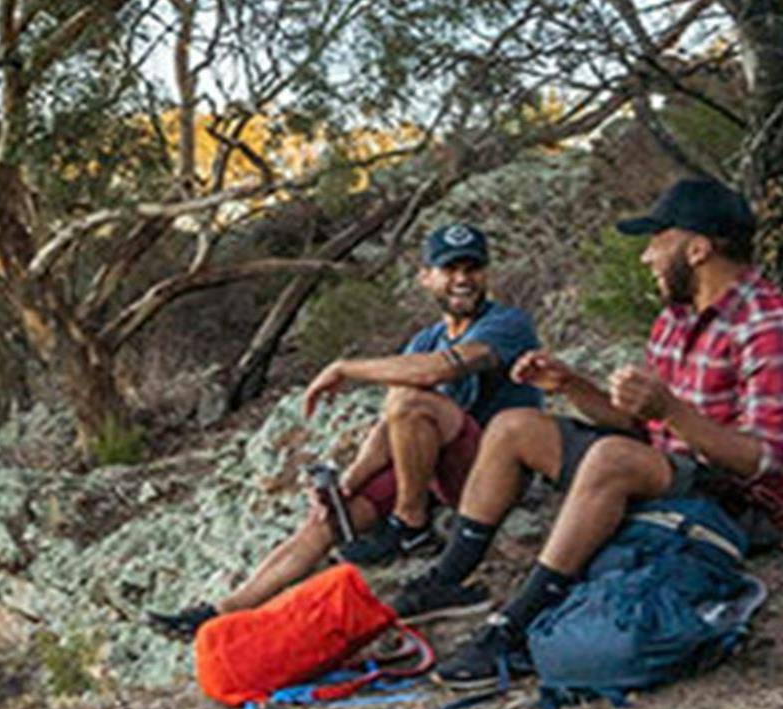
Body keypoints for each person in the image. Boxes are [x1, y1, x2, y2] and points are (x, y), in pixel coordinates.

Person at [404, 177, 783, 690]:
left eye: (657, 241)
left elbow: (766, 461)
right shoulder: (674, 318)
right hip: (667, 468)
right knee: (515, 427)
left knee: (611, 459)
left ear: (697, 249)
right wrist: (568, 384)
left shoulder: (766, 323)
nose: (648, 257)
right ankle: (447, 580)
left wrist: (671, 412)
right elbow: (639, 425)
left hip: (736, 499)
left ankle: (513, 628)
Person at [149, 222, 541, 639]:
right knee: (327, 522)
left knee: (410, 398)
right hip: (437, 471)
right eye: (450, 269)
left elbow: (439, 371)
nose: (463, 278)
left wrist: (344, 368)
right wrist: (347, 487)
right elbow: (392, 424)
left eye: (472, 267)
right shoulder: (426, 338)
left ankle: (410, 524)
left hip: (492, 473)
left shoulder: (508, 324)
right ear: (426, 277)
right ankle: (222, 611)